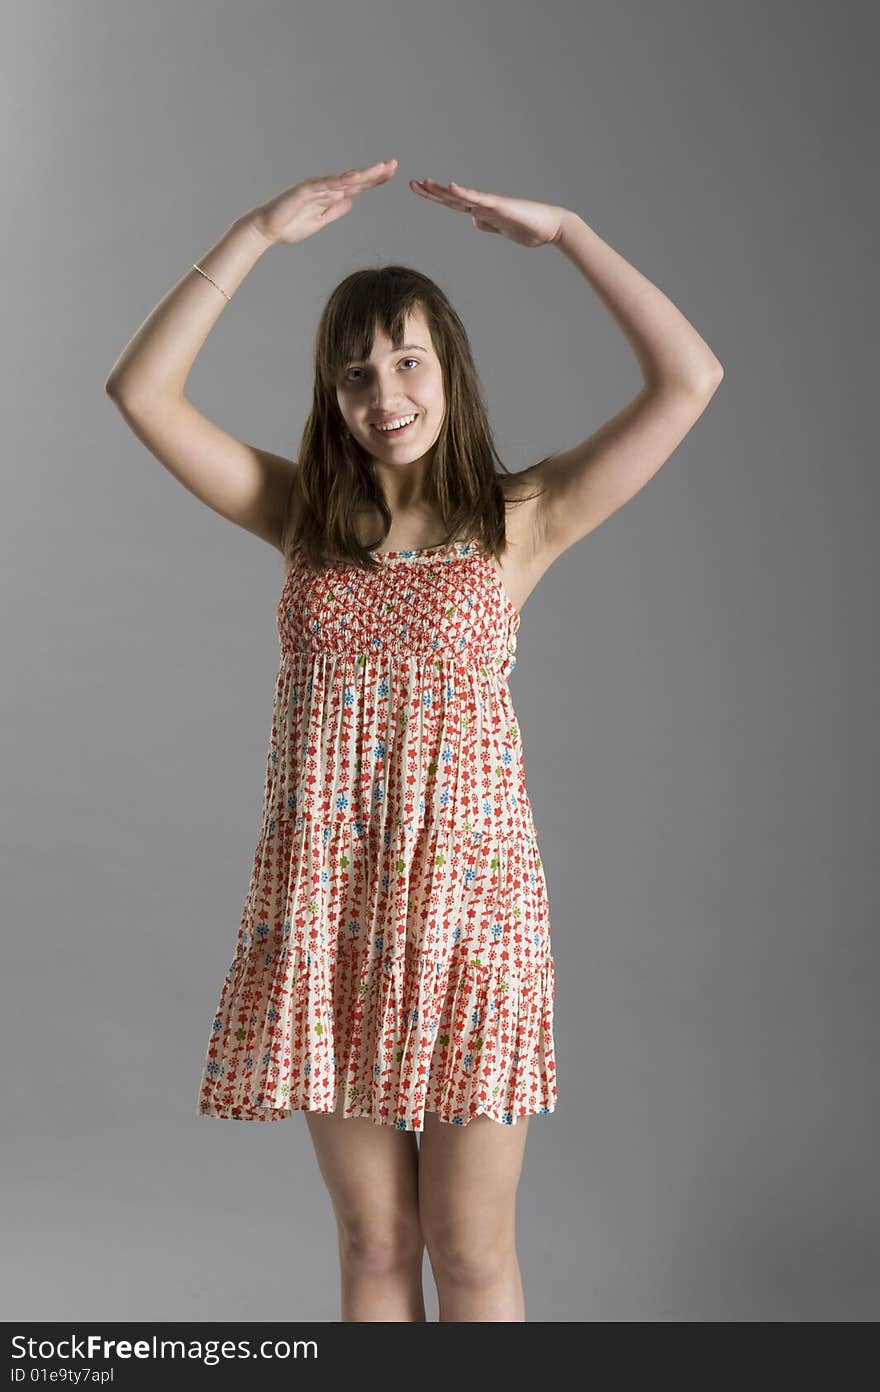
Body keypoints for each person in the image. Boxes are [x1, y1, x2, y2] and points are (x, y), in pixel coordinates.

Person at [104, 158, 723, 1322]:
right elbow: (140, 391)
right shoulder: (298, 518)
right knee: (372, 1239)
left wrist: (573, 230)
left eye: (405, 362)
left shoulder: (518, 521)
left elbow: (690, 379)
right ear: (329, 393)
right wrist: (251, 233)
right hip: (330, 906)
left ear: (448, 373)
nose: (382, 394)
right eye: (354, 373)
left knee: (469, 1249)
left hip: (472, 911)